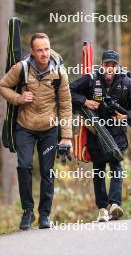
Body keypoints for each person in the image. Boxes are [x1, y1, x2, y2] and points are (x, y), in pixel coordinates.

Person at [0, 33, 72, 230]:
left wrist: (66, 136)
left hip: (50, 128)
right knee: (24, 166)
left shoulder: (59, 72)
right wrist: (19, 98)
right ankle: (27, 211)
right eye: (39, 50)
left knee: (47, 171)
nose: (44, 54)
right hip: (25, 127)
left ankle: (45, 215)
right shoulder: (21, 68)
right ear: (32, 52)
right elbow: (3, 86)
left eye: (47, 49)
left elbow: (66, 105)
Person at [70, 50, 131, 222]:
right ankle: (102, 209)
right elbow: (69, 90)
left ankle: (114, 205)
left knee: (116, 166)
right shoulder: (91, 79)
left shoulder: (127, 82)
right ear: (102, 65)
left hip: (117, 133)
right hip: (96, 132)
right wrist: (84, 101)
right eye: (107, 65)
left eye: (113, 65)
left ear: (117, 66)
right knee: (98, 170)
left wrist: (126, 116)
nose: (110, 68)